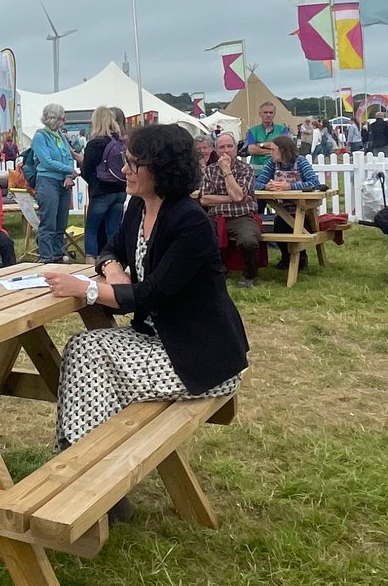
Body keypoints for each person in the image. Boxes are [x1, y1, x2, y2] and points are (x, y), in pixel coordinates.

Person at [42, 123, 249, 521]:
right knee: (85, 353)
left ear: (162, 168)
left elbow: (152, 293)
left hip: (200, 357)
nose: (126, 170)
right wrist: (114, 268)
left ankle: (86, 478)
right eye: (127, 160)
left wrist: (84, 289)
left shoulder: (190, 223)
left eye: (135, 162)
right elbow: (109, 249)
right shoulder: (139, 206)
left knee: (89, 358)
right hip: (160, 342)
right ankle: (94, 479)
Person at [200, 131, 261, 288]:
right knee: (201, 235)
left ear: (235, 149)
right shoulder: (210, 170)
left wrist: (226, 171)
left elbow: (239, 196)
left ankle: (249, 275)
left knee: (248, 240)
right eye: (222, 147)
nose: (226, 150)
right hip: (216, 216)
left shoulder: (246, 169)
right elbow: (205, 199)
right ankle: (219, 270)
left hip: (242, 215)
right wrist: (233, 198)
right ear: (216, 150)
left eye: (229, 146)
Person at [254, 134, 320, 270]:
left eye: (273, 150)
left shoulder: (300, 162)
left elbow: (314, 183)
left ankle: (301, 258)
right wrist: (267, 186)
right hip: (282, 210)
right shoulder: (272, 164)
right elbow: (256, 183)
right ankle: (286, 257)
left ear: (283, 150)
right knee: (279, 227)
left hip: (303, 211)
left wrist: (290, 187)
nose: (271, 153)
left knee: (295, 229)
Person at [31, 103, 79, 262]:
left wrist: (69, 176)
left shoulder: (61, 136)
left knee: (61, 222)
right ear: (52, 118)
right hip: (47, 182)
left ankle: (58, 255)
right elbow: (46, 161)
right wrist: (68, 169)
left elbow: (69, 157)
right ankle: (46, 257)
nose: (64, 120)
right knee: (48, 222)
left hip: (63, 183)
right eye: (61, 117)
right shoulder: (40, 136)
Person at [81, 105, 127, 261]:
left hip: (101, 191)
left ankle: (90, 262)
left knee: (91, 229)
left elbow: (86, 170)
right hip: (120, 189)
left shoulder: (95, 144)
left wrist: (94, 183)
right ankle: (113, 259)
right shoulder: (120, 143)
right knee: (113, 228)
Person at [245, 102, 290, 167]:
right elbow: (251, 150)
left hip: (276, 168)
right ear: (260, 114)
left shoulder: (282, 129)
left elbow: (284, 149)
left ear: (274, 114)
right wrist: (274, 150)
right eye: (265, 112)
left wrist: (259, 145)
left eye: (271, 112)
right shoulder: (252, 131)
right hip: (257, 170)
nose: (268, 115)